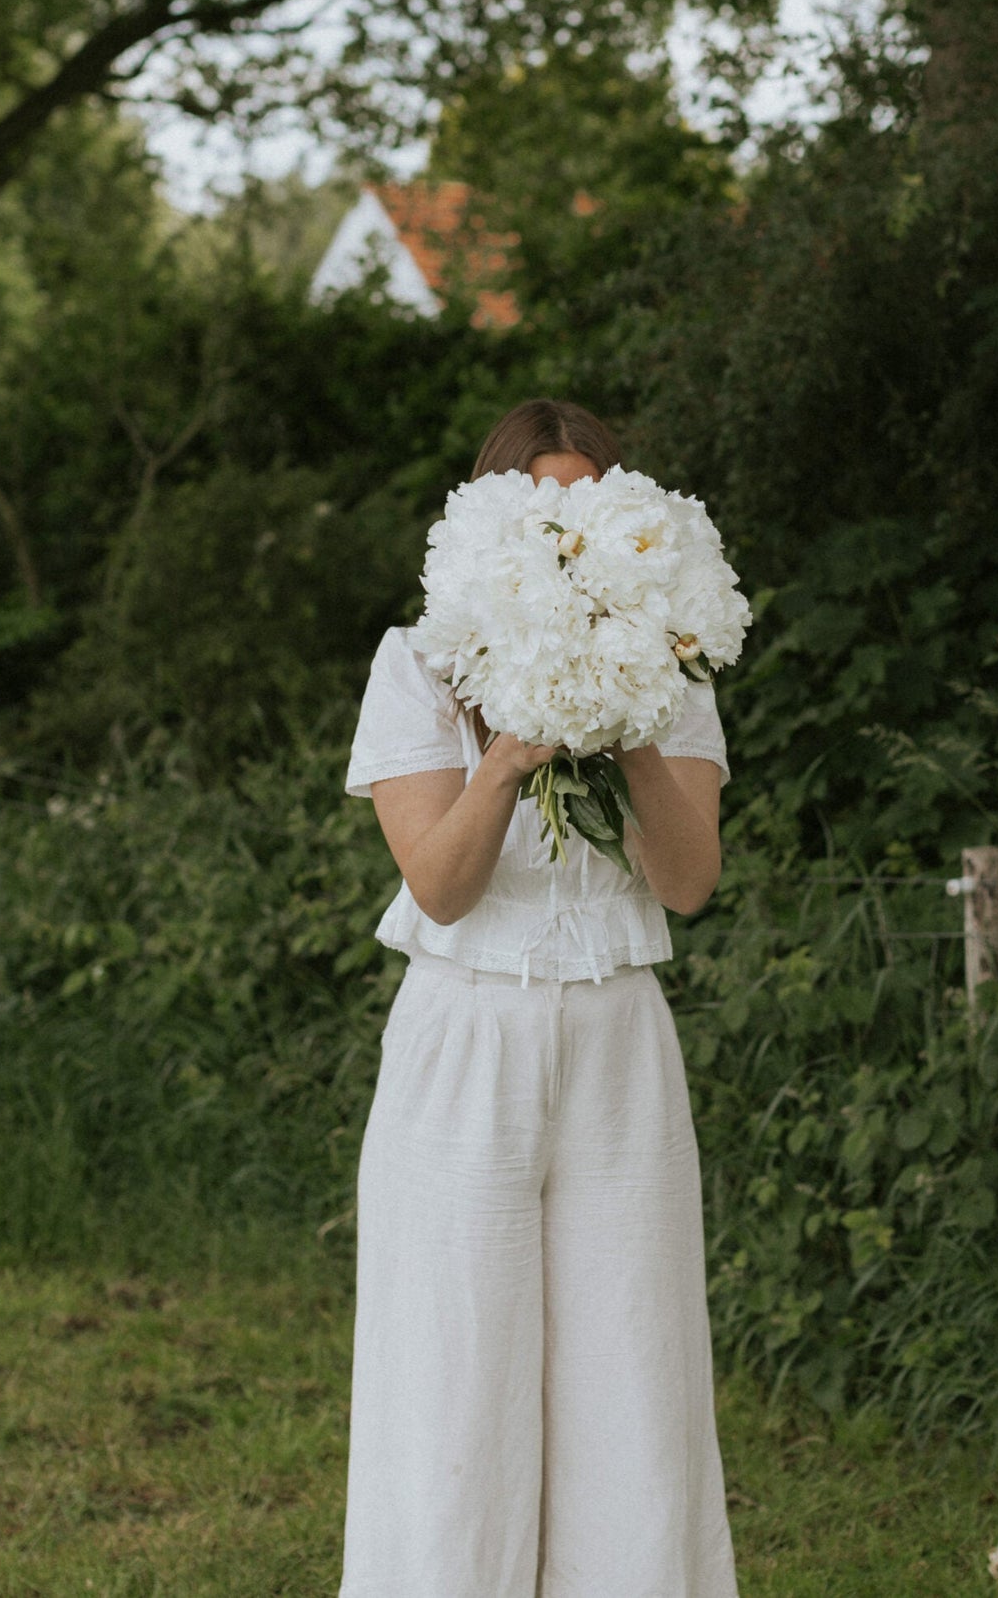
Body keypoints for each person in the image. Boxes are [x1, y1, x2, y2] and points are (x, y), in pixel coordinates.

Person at [337, 397, 741, 1598]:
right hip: (466, 1038)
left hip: (618, 1044)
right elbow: (441, 886)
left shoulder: (674, 670)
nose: (564, 532)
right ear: (494, 517)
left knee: (633, 1370)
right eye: (540, 504)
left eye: (587, 503)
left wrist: (624, 717)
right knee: (452, 1379)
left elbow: (687, 882)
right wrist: (512, 749)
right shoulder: (418, 664)